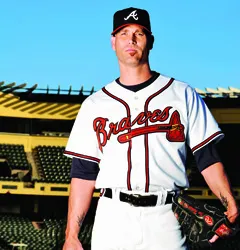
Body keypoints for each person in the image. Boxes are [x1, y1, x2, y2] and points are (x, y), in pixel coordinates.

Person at [63, 7, 239, 250]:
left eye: (139, 33)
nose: (131, 39)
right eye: (124, 33)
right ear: (113, 42)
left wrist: (228, 200)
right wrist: (71, 235)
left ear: (151, 41)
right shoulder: (94, 105)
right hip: (113, 217)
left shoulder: (182, 94)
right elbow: (83, 173)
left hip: (167, 216)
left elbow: (206, 156)